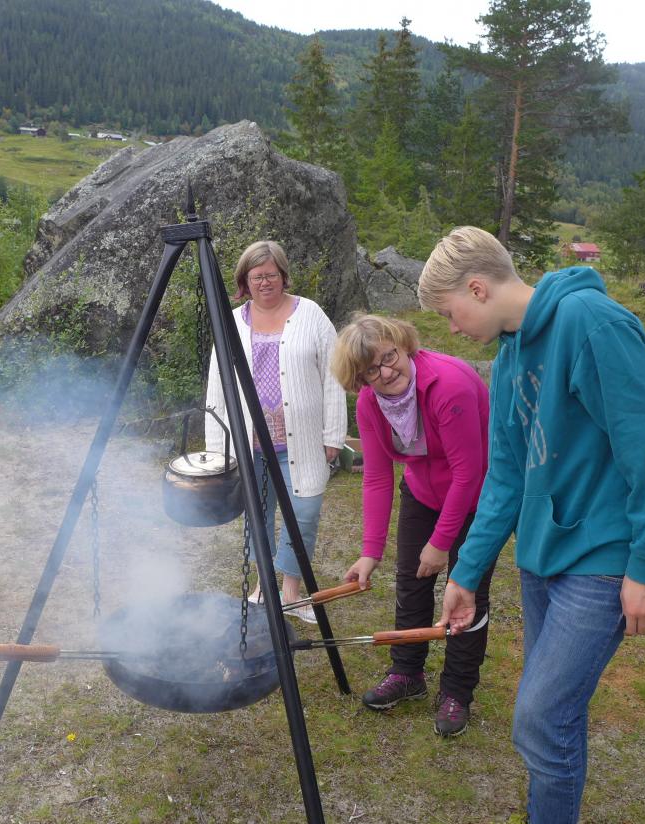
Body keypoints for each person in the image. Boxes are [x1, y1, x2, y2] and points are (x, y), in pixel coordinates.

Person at [419, 227, 645, 824]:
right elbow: (504, 478)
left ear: (477, 288)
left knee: (539, 717)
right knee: (556, 715)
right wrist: (467, 572)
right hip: (542, 563)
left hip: (601, 561)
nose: (452, 329)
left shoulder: (591, 322)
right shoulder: (508, 360)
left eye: (450, 313)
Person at [333, 314, 495, 736]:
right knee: (410, 582)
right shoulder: (370, 404)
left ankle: (457, 690)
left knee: (466, 591)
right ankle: (408, 673)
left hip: (477, 498)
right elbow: (376, 476)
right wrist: (370, 552)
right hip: (423, 492)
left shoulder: (449, 386)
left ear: (404, 346)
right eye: (372, 370)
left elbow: (468, 474)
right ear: (360, 379)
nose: (386, 373)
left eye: (389, 357)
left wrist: (441, 542)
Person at [205, 240, 346, 623]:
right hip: (248, 443)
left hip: (302, 439)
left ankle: (292, 592)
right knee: (258, 515)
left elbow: (334, 375)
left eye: (271, 275)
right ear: (244, 281)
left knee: (305, 512)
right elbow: (217, 387)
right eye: (256, 277)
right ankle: (264, 586)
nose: (264, 282)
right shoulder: (232, 322)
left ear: (283, 276)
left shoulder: (311, 315)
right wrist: (218, 448)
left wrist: (333, 434)